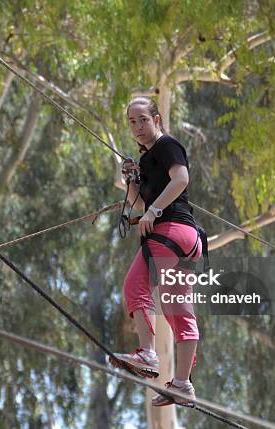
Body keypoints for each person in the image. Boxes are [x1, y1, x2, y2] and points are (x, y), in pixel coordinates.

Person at [110, 96, 202, 407]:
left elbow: (181, 179)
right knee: (178, 311)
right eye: (132, 122)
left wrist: (153, 214)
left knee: (135, 287)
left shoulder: (167, 146)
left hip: (170, 231)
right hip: (187, 241)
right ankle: (182, 384)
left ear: (157, 119)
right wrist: (131, 181)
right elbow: (138, 205)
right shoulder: (148, 161)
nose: (137, 127)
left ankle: (148, 353)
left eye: (143, 120)